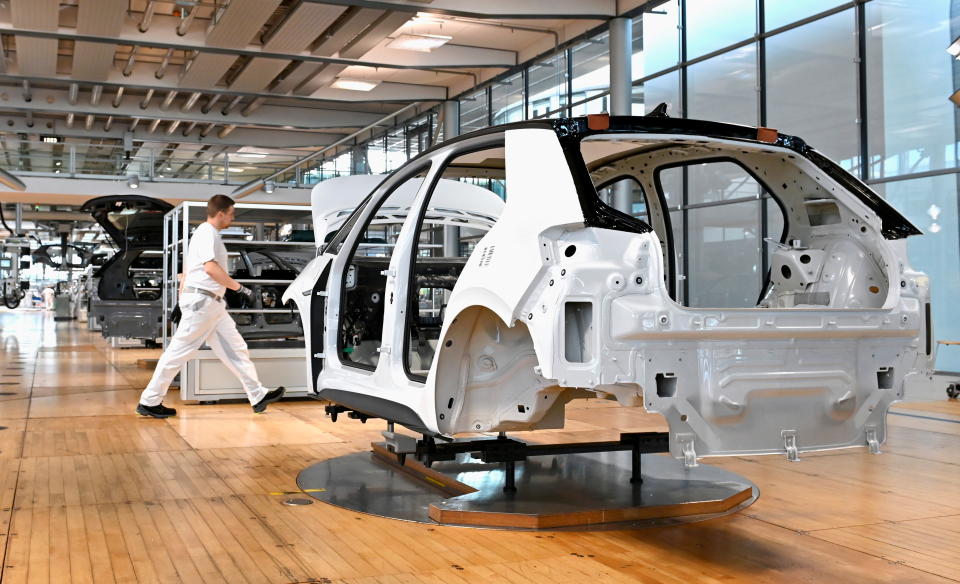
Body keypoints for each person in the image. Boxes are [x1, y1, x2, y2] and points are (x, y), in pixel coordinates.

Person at [136, 194, 285, 418]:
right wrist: (240, 289)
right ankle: (149, 401)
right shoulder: (207, 233)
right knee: (178, 353)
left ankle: (258, 395)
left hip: (211, 304)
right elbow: (210, 269)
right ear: (221, 213)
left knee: (236, 350)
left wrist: (180, 300)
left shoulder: (207, 235)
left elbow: (187, 271)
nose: (232, 219)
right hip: (203, 303)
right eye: (232, 214)